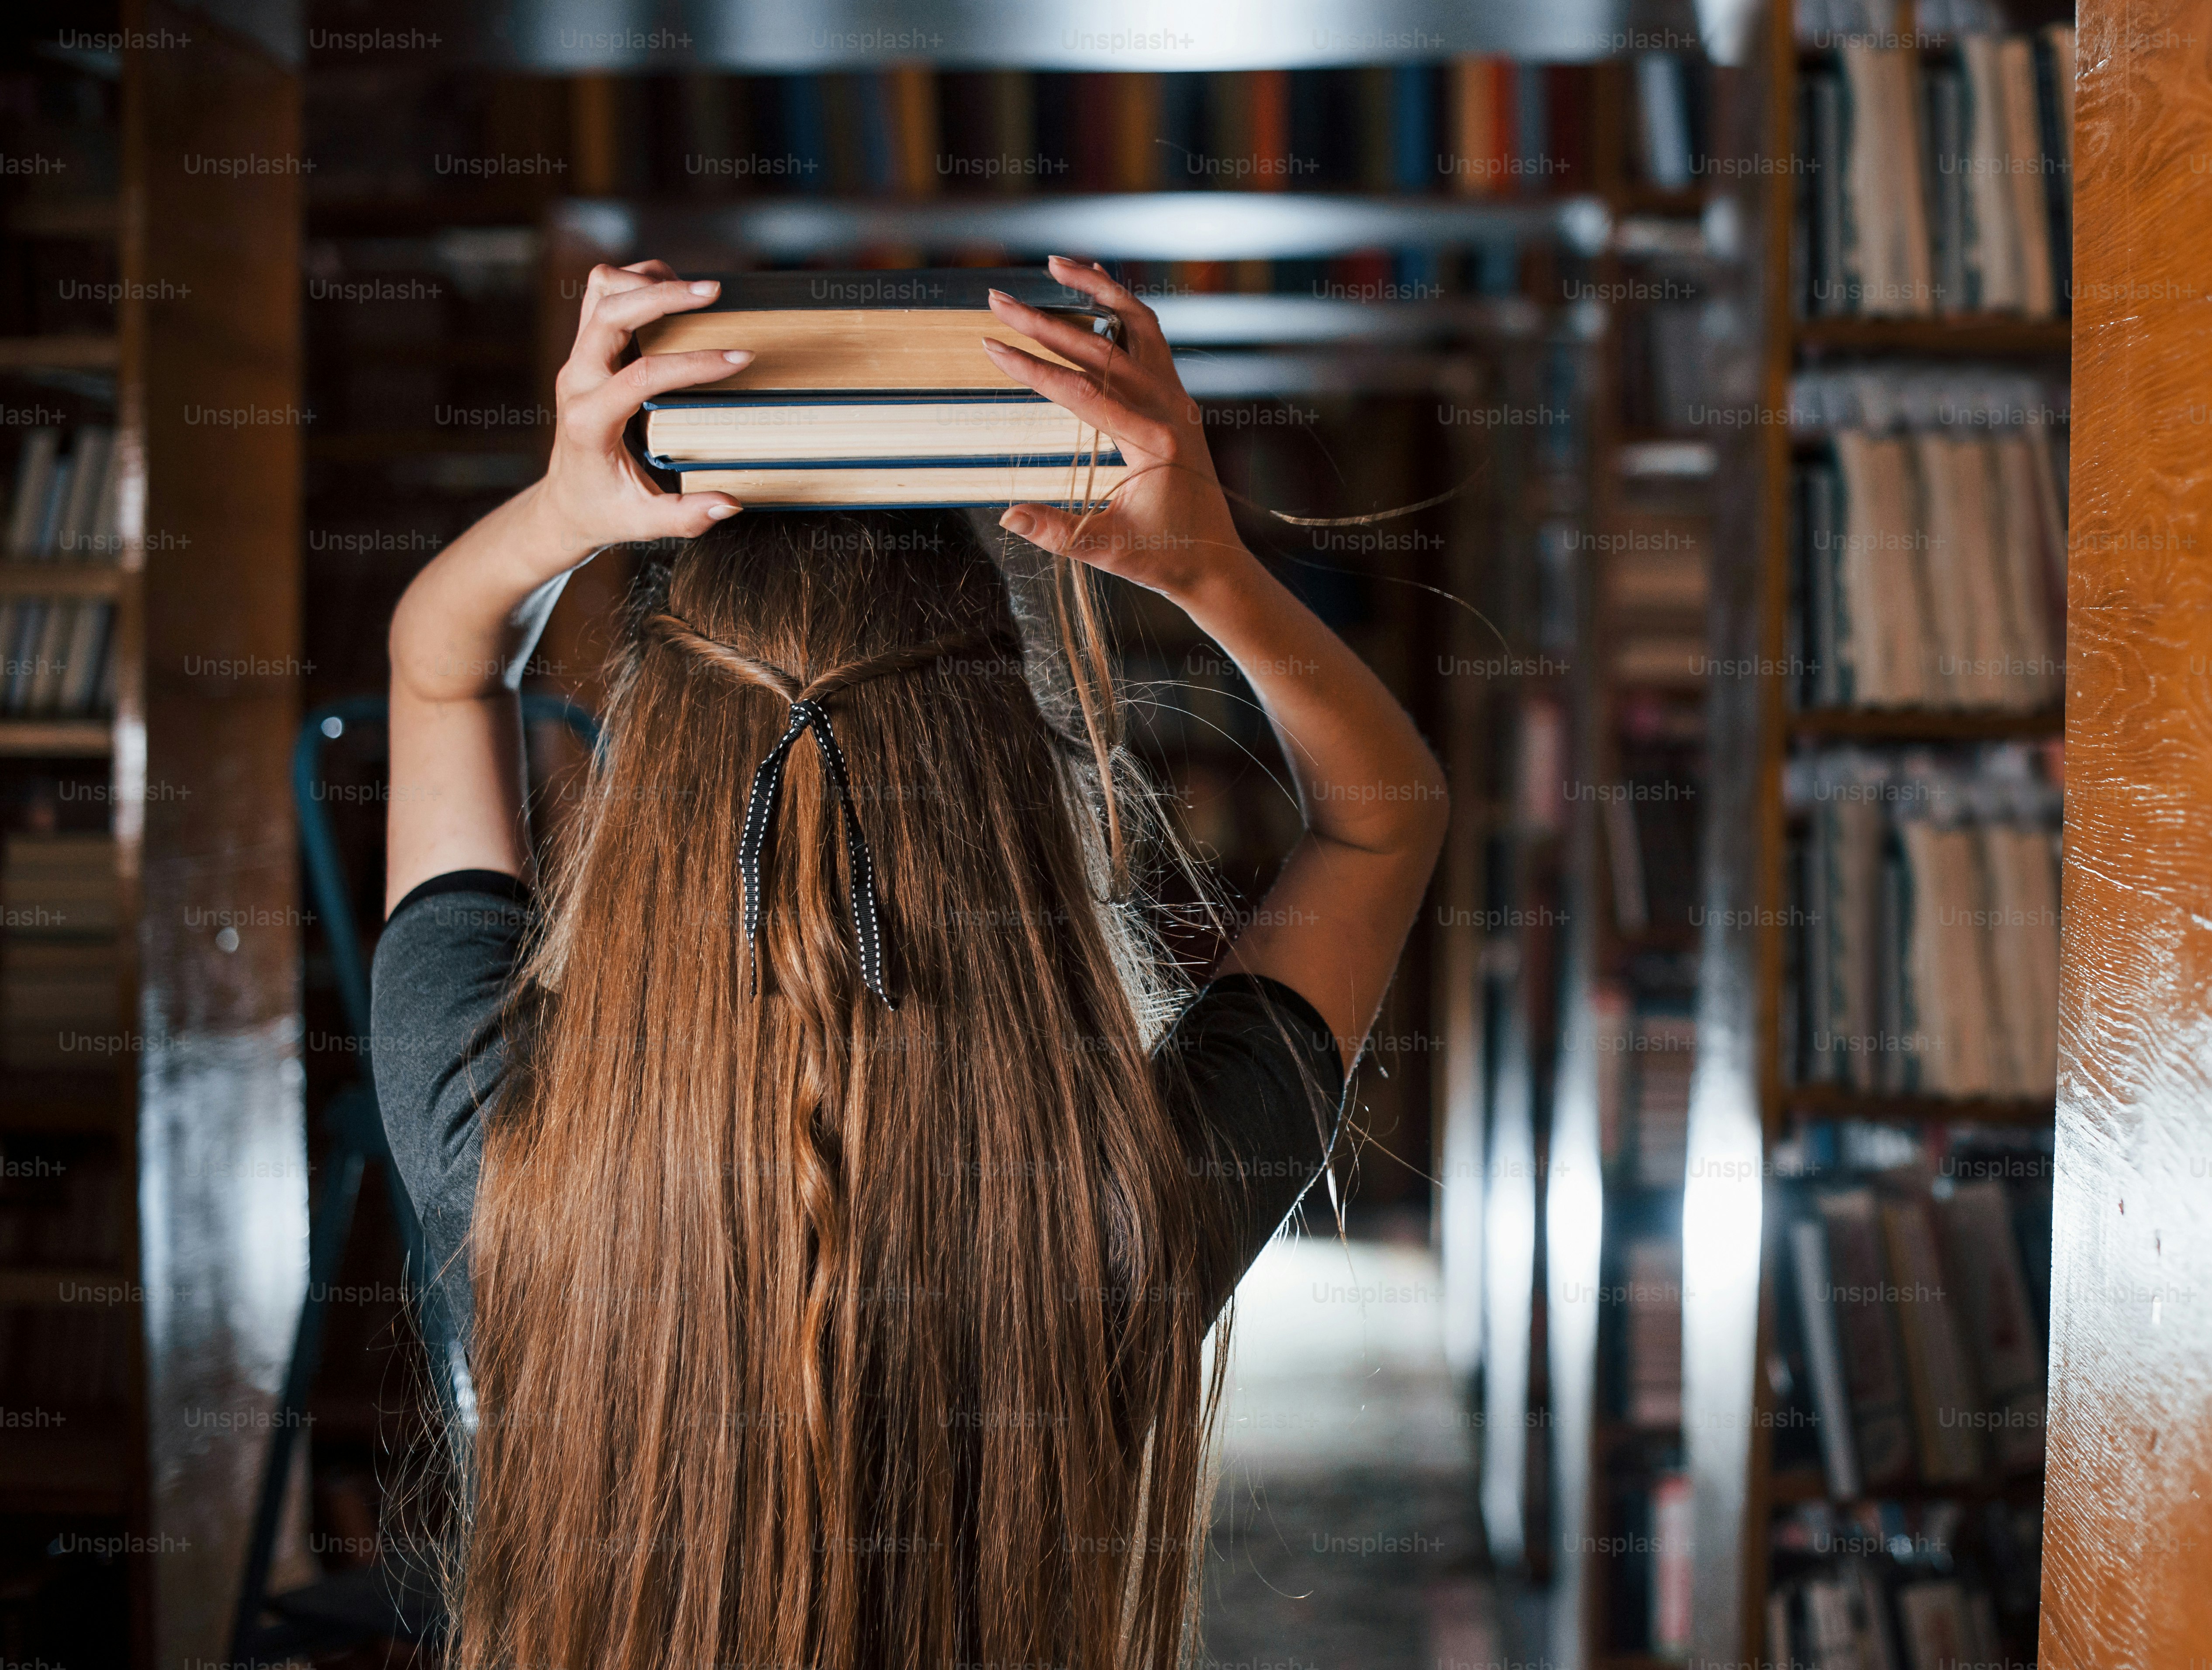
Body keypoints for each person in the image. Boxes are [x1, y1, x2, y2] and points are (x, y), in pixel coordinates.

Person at [373, 255, 1449, 1669]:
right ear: (1020, 804)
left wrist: (566, 514)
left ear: (651, 813)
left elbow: (440, 667)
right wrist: (1208, 569)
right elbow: (1384, 828)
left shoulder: (501, 1149)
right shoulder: (1122, 1209)